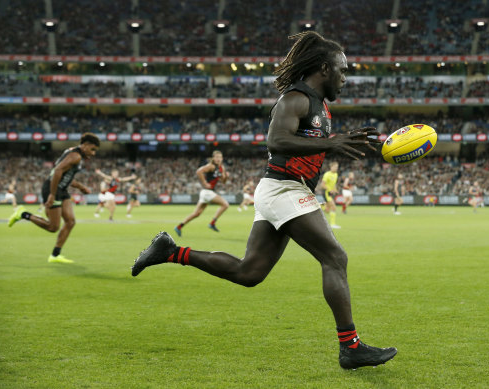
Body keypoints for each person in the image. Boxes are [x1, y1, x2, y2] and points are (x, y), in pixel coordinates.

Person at [132, 31, 396, 370]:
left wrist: (333, 143)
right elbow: (277, 139)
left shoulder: (320, 106)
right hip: (284, 188)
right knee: (335, 258)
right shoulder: (296, 99)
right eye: (342, 70)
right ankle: (351, 347)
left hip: (284, 190)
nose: (346, 77)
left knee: (249, 272)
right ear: (324, 68)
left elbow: (304, 144)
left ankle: (171, 251)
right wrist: (331, 144)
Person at [8, 133, 100, 263]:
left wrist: (79, 186)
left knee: (70, 221)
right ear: (86, 145)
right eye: (93, 149)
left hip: (62, 190)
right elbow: (57, 171)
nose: (93, 153)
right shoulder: (75, 156)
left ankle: (55, 255)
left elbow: (65, 175)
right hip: (53, 189)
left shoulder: (72, 153)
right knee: (53, 227)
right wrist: (52, 194)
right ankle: (23, 214)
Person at [174, 150, 230, 235]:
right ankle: (212, 223)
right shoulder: (211, 166)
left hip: (206, 193)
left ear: (222, 158)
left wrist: (226, 177)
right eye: (217, 157)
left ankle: (179, 226)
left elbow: (223, 181)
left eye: (220, 157)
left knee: (197, 213)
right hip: (208, 192)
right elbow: (199, 171)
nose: (218, 159)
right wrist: (204, 183)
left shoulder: (221, 168)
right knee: (225, 204)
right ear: (213, 158)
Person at [321, 161, 340, 228]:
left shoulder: (336, 175)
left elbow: (333, 184)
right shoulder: (327, 174)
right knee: (334, 207)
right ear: (331, 167)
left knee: (327, 210)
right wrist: (330, 190)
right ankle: (332, 224)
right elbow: (322, 185)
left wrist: (335, 190)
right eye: (335, 167)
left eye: (337, 167)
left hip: (330, 193)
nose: (336, 168)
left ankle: (320, 206)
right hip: (326, 193)